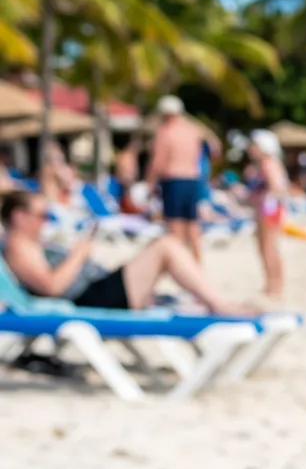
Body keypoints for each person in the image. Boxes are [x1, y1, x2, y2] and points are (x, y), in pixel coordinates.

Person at [1, 189, 249, 316]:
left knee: (167, 248)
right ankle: (218, 304)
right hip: (91, 298)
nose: (45, 221)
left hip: (97, 290)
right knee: (166, 246)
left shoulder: (30, 244)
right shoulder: (18, 247)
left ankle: (211, 301)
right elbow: (52, 287)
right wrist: (79, 254)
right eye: (42, 215)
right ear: (18, 216)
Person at [146, 95, 208, 260]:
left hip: (173, 180)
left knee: (175, 226)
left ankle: (181, 265)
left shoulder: (165, 132)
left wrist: (150, 183)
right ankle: (197, 262)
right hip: (193, 180)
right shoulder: (193, 130)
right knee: (192, 224)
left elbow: (158, 161)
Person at [244, 129, 290, 299]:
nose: (251, 149)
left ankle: (274, 284)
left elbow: (275, 188)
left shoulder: (267, 163)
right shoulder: (268, 163)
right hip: (269, 209)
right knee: (268, 247)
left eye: (253, 146)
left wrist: (263, 201)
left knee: (268, 247)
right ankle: (272, 283)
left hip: (269, 209)